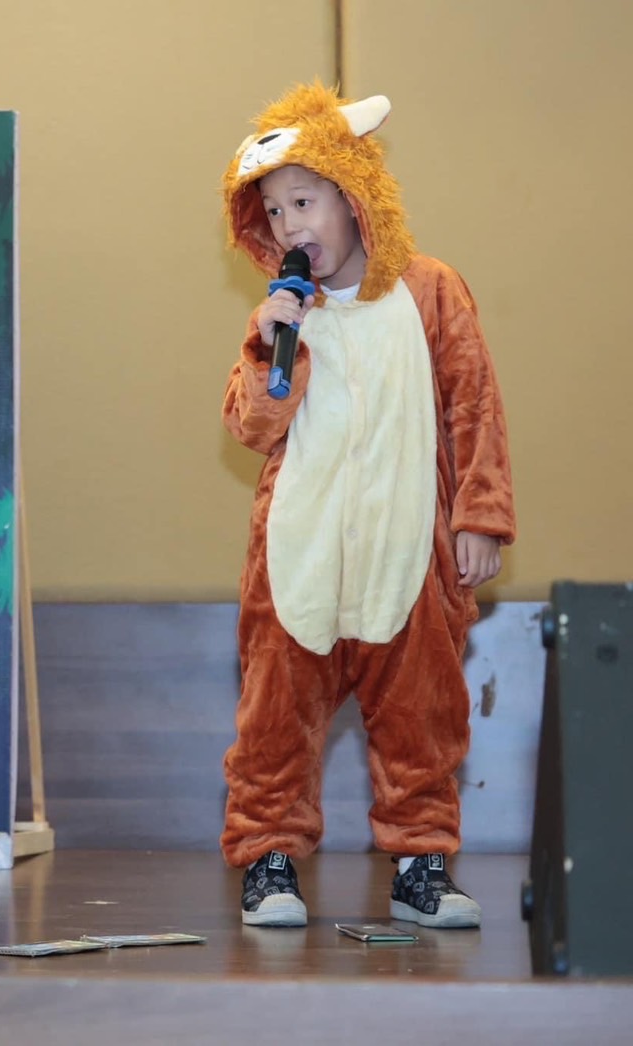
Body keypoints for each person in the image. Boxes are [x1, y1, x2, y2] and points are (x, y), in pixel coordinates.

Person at [217, 83, 515, 928]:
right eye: (274, 211)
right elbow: (250, 426)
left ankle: (422, 869)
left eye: (304, 202)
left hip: (405, 549)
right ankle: (269, 862)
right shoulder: (281, 314)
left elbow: (474, 405)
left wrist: (480, 517)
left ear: (352, 197)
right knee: (274, 721)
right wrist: (271, 345)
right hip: (299, 552)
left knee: (422, 719)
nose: (290, 226)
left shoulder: (430, 290)